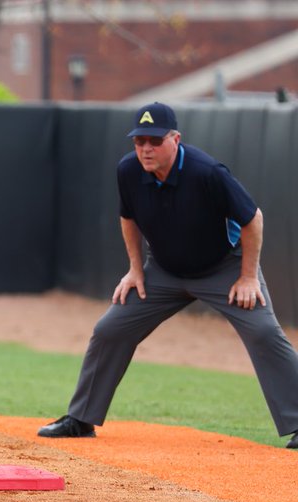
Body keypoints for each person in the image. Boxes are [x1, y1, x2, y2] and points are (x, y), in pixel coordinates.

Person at [39, 102, 298, 448]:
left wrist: (248, 276)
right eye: (139, 140)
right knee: (110, 329)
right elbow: (127, 218)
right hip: (163, 271)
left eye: (154, 140)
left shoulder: (207, 172)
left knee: (265, 333)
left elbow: (253, 219)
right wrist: (134, 269)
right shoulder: (129, 170)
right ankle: (81, 419)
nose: (145, 148)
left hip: (223, 268)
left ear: (175, 138)